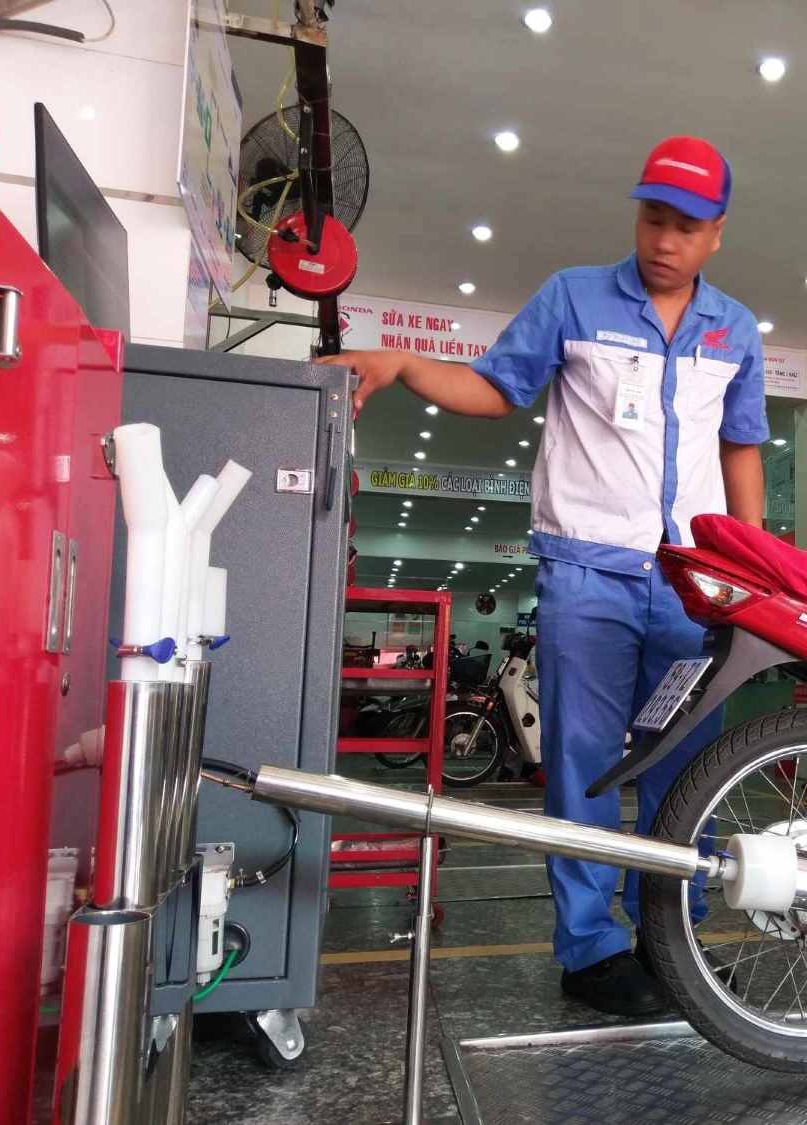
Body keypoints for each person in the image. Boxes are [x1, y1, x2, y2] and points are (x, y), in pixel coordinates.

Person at [318, 135, 769, 1016]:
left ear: (717, 233)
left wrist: (753, 569)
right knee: (582, 762)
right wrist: (402, 364)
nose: (664, 240)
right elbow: (497, 388)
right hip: (588, 574)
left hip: (695, 581)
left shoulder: (736, 329)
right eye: (652, 218)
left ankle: (673, 938)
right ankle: (590, 949)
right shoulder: (573, 297)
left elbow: (741, 447)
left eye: (686, 227)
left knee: (689, 763)